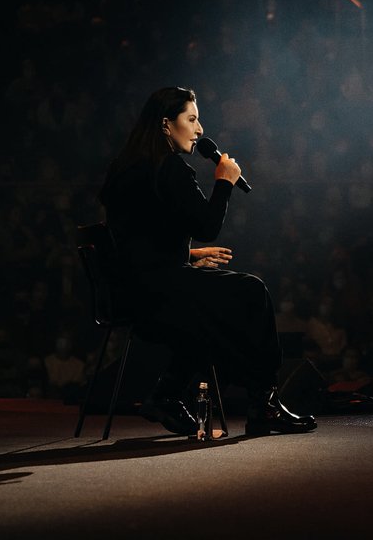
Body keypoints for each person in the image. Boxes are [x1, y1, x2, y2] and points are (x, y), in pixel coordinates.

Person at [97, 86, 315, 436]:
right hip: (160, 296)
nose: (200, 131)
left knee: (214, 309)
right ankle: (264, 402)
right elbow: (207, 226)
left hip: (130, 293)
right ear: (166, 125)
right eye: (193, 119)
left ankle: (169, 394)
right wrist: (224, 183)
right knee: (251, 292)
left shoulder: (124, 167)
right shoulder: (170, 169)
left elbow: (139, 238)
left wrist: (187, 256)